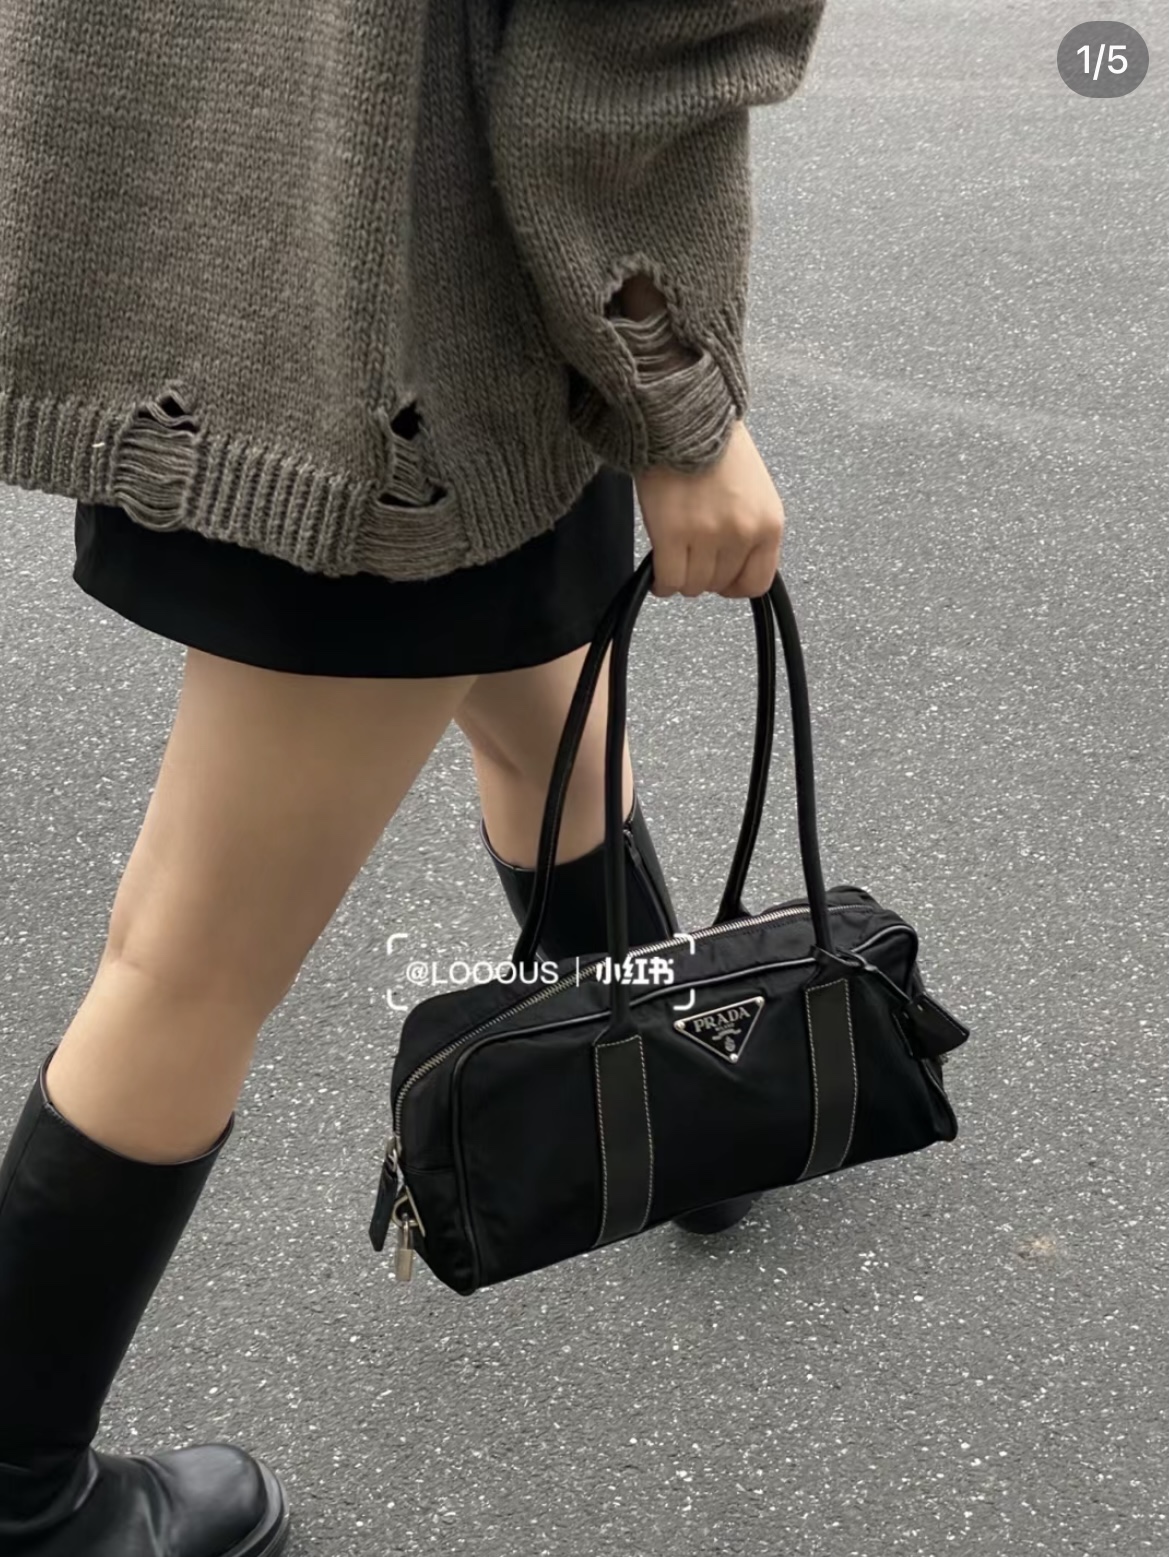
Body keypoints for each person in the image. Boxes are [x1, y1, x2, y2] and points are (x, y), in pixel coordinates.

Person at [0, 2, 827, 1552]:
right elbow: (636, 43)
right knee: (185, 959)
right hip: (396, 329)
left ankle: (660, 1100)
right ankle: (21, 1496)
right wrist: (680, 396)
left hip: (265, 252)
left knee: (544, 706)